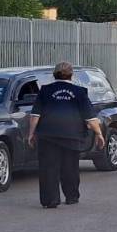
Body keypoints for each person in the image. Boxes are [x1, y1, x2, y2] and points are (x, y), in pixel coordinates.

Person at [27, 62, 105, 208]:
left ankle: (50, 200)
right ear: (71, 75)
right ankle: (71, 196)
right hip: (72, 135)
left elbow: (35, 115)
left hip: (47, 135)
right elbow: (90, 118)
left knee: (48, 168)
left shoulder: (45, 90)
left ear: (54, 75)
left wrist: (31, 133)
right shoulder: (79, 91)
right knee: (71, 167)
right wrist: (99, 134)